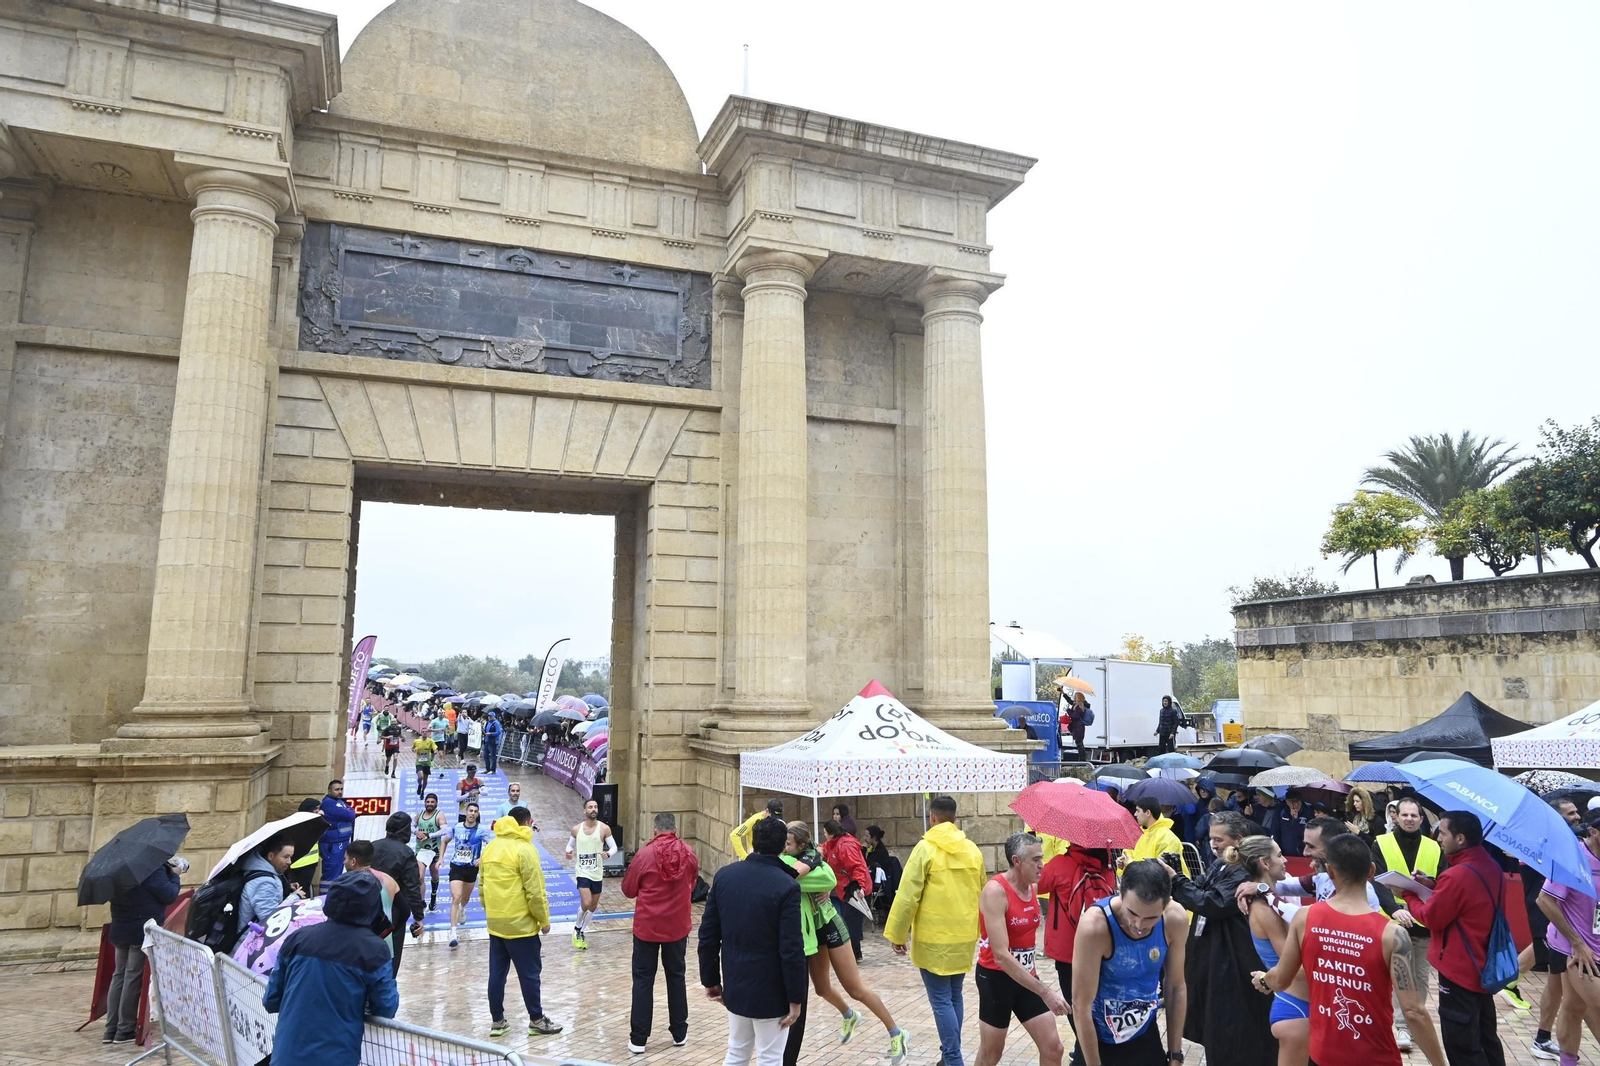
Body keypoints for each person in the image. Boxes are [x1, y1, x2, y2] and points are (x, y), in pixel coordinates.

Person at [1255, 832, 1446, 1066]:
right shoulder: (1392, 935)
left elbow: (1281, 979)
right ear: (1372, 871)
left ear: (1330, 872)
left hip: (1323, 1054)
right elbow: (1414, 1012)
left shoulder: (1305, 919)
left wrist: (1264, 980)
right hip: (1374, 1056)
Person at [786, 824, 907, 1063]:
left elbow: (826, 876)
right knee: (821, 989)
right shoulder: (794, 860)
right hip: (814, 933)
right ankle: (849, 1015)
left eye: (788, 843)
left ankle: (897, 1032)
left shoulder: (811, 863)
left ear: (800, 845)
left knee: (855, 988)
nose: (784, 846)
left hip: (831, 925)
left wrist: (829, 885)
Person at [1394, 810, 1507, 1066]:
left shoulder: (1457, 875)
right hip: (1483, 963)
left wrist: (1409, 894)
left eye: (1442, 833)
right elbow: (1467, 899)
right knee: (1486, 1037)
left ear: (1460, 838)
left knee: (1462, 1044)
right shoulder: (1490, 866)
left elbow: (1432, 918)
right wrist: (1435, 885)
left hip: (1459, 969)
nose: (1438, 838)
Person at [1164, 811, 1276, 1066]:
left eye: (1219, 839)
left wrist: (1177, 880)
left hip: (1233, 961)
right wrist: (1178, 878)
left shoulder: (1244, 870)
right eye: (1211, 838)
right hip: (1213, 956)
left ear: (1238, 839)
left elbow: (1211, 902)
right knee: (1213, 1022)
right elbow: (1202, 886)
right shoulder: (1222, 862)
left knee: (1231, 1027)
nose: (1213, 844)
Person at [884, 794, 984, 1066]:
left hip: (933, 937)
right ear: (954, 817)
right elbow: (982, 890)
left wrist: (897, 933)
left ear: (933, 817)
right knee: (954, 996)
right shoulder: (972, 850)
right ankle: (948, 1054)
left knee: (941, 1000)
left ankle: (952, 1058)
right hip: (963, 936)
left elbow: (908, 895)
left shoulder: (925, 849)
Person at [698, 814, 805, 1066]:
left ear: (754, 843)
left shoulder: (725, 876)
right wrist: (796, 997)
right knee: (770, 1057)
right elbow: (791, 948)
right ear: (782, 848)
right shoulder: (786, 885)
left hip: (736, 981)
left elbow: (708, 935)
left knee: (737, 1051)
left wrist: (710, 980)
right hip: (772, 988)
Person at [263, 873, 399, 1066]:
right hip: (337, 1057)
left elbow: (271, 1000)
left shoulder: (297, 938)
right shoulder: (374, 950)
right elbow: (386, 1007)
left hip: (286, 1056)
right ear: (373, 907)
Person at [1071, 859, 1188, 1066]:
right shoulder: (1096, 926)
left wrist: (1176, 1054)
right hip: (1099, 1039)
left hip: (1143, 1033)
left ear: (1167, 903)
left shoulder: (1174, 919)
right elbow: (1081, 1004)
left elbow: (1175, 986)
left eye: (1151, 918)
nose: (1139, 925)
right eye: (1132, 913)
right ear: (1120, 892)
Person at [973, 832, 1066, 1066]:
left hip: (1025, 977)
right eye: (1035, 860)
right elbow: (1002, 956)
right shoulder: (996, 892)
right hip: (997, 979)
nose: (1041, 865)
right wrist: (1045, 991)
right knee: (991, 1054)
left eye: (1041, 858)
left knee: (1053, 1048)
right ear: (1017, 861)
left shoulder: (1033, 888)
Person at [481, 806, 562, 1037]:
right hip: (521, 927)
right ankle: (536, 1019)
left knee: (496, 975)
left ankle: (498, 1022)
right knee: (529, 975)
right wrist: (543, 920)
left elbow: (482, 886)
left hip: (496, 924)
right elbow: (535, 892)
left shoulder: (490, 848)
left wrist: (493, 912)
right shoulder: (525, 850)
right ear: (527, 823)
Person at [623, 811, 700, 1054]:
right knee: (676, 977)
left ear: (655, 830)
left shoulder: (644, 855)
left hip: (647, 927)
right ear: (675, 829)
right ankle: (680, 1032)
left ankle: (639, 1039)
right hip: (677, 927)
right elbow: (693, 883)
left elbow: (628, 889)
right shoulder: (688, 852)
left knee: (643, 980)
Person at [1231, 835, 1311, 1066]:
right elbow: (1293, 962)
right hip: (1295, 1004)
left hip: (1302, 1000)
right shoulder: (1263, 909)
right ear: (1265, 863)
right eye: (1279, 855)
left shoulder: (1273, 896)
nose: (1285, 860)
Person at [1037, 840, 1115, 1064]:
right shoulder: (1107, 868)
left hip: (1067, 951)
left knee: (1076, 1007)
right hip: (1101, 950)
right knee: (1096, 1004)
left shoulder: (1061, 863)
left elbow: (1036, 884)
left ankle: (1085, 1055)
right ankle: (1085, 1050)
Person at [1373, 797, 1437, 1050]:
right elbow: (1376, 879)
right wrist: (1393, 910)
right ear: (1395, 817)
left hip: (1423, 924)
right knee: (1384, 978)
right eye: (1405, 815)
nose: (1409, 819)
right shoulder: (1380, 843)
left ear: (1421, 819)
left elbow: (1442, 882)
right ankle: (1385, 1025)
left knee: (1418, 978)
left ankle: (1406, 1027)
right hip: (1388, 924)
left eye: (1414, 815)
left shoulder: (1434, 847)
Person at [1537, 809, 1600, 1066]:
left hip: (1594, 942)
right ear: (1594, 832)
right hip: (1574, 948)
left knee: (1574, 1008)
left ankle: (1567, 1062)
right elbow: (1544, 900)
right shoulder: (1573, 860)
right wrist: (1576, 942)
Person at [103, 855, 183, 1043]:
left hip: (120, 928)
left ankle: (111, 1029)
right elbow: (169, 894)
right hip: (140, 929)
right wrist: (175, 875)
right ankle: (125, 1029)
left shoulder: (118, 867)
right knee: (132, 977)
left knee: (119, 976)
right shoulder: (152, 869)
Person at [1527, 797, 1584, 1059]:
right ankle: (1543, 1038)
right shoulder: (1549, 845)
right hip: (1550, 915)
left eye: (1577, 812)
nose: (1577, 817)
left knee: (1557, 985)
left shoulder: (1573, 845)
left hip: (1560, 919)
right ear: (1557, 818)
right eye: (1571, 813)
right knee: (1559, 985)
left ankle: (1542, 1037)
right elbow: (1542, 892)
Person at [368, 812, 426, 976]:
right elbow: (412, 886)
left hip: (368, 907)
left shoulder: (373, 846)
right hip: (393, 911)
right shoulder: (406, 853)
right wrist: (418, 916)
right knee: (391, 956)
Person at [566, 797, 618, 949]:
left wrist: (608, 854)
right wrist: (569, 852)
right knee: (586, 902)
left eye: (595, 807)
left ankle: (582, 930)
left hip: (597, 872)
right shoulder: (576, 829)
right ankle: (576, 928)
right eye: (590, 807)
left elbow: (613, 847)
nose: (593, 809)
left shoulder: (604, 829)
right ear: (585, 810)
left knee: (593, 906)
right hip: (582, 871)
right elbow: (569, 846)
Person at [820, 819, 872, 961]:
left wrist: (859, 886)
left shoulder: (845, 846)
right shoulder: (834, 843)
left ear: (831, 834)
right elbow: (823, 848)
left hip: (854, 890)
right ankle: (854, 954)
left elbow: (857, 867)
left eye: (824, 833)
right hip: (847, 889)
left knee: (850, 924)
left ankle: (854, 955)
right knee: (848, 922)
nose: (824, 835)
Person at [447, 801, 491, 947]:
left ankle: (462, 908)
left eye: (475, 811)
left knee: (464, 898)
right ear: (466, 813)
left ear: (478, 814)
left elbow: (492, 846)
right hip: (456, 866)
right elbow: (445, 841)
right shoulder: (457, 827)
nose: (472, 813)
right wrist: (441, 858)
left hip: (471, 868)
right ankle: (453, 932)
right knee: (456, 896)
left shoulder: (482, 830)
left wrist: (482, 858)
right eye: (470, 811)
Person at [239, 834, 296, 937]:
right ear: (271, 856)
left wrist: (287, 888)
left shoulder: (268, 874)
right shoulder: (263, 882)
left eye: (290, 857)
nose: (289, 862)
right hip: (251, 945)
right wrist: (295, 897)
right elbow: (272, 920)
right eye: (286, 857)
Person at [1126, 797, 1188, 875]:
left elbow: (1161, 870)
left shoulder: (1167, 838)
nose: (1135, 814)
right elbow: (1129, 854)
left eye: (1138, 811)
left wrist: (1130, 864)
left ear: (1148, 813)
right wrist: (1123, 863)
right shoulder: (1140, 834)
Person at [318, 779, 357, 893]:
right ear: (329, 791)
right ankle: (325, 898)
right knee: (331, 875)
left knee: (337, 873)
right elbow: (350, 814)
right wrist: (349, 811)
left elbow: (351, 811)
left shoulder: (338, 802)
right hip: (333, 845)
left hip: (340, 843)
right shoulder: (329, 804)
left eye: (341, 789)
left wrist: (349, 811)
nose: (340, 792)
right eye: (336, 789)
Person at [413, 792, 447, 911]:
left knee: (434, 875)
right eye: (428, 802)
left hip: (434, 850)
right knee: (420, 876)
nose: (430, 804)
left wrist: (430, 835)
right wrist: (416, 832)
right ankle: (422, 901)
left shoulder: (439, 815)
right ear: (424, 803)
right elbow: (411, 826)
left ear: (436, 803)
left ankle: (433, 896)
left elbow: (445, 830)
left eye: (432, 802)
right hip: (421, 850)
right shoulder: (420, 814)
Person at [863, 825, 901, 919]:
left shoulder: (880, 852)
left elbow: (864, 864)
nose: (864, 838)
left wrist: (863, 849)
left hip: (880, 883)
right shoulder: (873, 849)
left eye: (867, 836)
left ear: (874, 838)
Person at [1272, 791, 1309, 858]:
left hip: (1303, 853)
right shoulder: (1281, 811)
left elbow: (1307, 833)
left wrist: (1296, 820)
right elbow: (1275, 830)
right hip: (1286, 853)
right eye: (1292, 802)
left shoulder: (1308, 812)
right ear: (1287, 802)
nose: (1296, 804)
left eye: (1298, 801)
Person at [1065, 692, 1090, 762]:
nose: (1074, 698)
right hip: (1078, 727)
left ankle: (1082, 759)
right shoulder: (1077, 705)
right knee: (1079, 743)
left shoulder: (1079, 706)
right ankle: (1081, 759)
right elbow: (1070, 701)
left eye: (1075, 697)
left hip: (1078, 727)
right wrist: (1063, 693)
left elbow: (1075, 716)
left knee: (1079, 743)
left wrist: (1068, 711)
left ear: (1078, 698)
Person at [412, 731, 437, 800]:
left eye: (426, 732)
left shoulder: (430, 741)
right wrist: (414, 750)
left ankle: (422, 792)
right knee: (421, 776)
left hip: (427, 763)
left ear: (427, 733)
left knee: (425, 780)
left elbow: (435, 748)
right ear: (421, 733)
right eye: (423, 732)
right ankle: (420, 785)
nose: (424, 733)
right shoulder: (416, 741)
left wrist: (435, 752)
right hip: (419, 762)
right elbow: (412, 748)